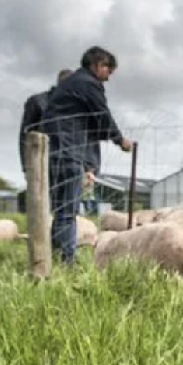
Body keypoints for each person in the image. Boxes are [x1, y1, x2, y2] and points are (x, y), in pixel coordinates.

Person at [42, 46, 133, 265]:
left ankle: (54, 257)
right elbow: (103, 116)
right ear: (98, 65)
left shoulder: (69, 85)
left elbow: (91, 123)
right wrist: (120, 140)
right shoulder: (89, 84)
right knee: (68, 211)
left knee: (60, 210)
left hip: (53, 151)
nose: (108, 77)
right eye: (108, 71)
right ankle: (67, 261)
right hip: (69, 151)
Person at [18, 69, 73, 174]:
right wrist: (27, 167)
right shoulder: (37, 102)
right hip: (42, 165)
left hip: (71, 167)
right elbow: (24, 135)